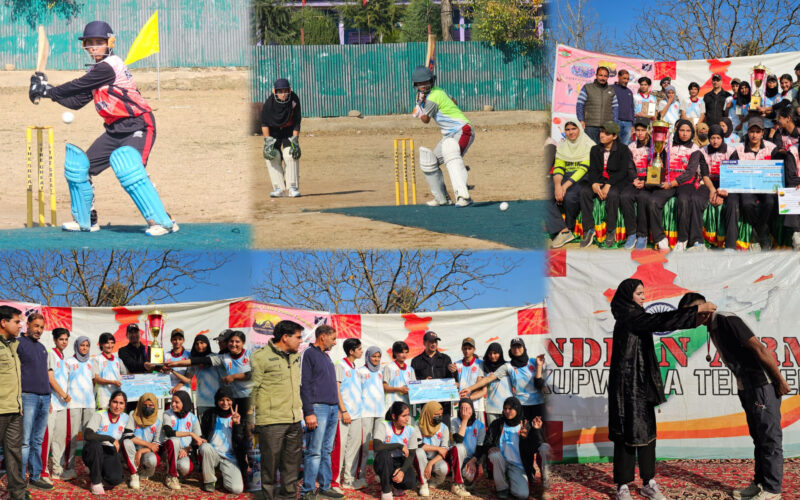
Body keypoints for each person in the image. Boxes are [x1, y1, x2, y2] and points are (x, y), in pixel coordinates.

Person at [28, 21, 177, 236]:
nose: (94, 47)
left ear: (110, 43)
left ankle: (164, 221)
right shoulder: (97, 73)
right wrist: (46, 93)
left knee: (130, 170)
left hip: (139, 124)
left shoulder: (110, 66)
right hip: (114, 130)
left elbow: (78, 84)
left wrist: (48, 90)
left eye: (99, 42)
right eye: (90, 43)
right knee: (80, 169)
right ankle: (86, 220)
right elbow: (76, 101)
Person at [608, 279, 715, 500]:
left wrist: (693, 318)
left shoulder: (636, 316)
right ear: (628, 295)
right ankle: (622, 486)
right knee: (626, 434)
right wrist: (695, 310)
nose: (643, 297)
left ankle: (648, 482)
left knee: (647, 433)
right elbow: (659, 320)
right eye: (639, 293)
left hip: (642, 383)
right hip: (626, 386)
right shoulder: (629, 316)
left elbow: (658, 321)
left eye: (643, 293)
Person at [679, 293, 788, 500]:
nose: (690, 318)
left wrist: (779, 380)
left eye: (692, 312)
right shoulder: (712, 326)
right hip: (746, 386)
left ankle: (773, 490)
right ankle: (759, 484)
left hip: (761, 384)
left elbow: (759, 347)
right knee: (758, 438)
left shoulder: (725, 319)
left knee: (769, 437)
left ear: (704, 308)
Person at [461, 339, 545, 485]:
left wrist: (538, 367)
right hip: (520, 409)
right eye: (514, 347)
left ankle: (538, 474)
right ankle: (520, 471)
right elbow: (489, 379)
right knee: (522, 441)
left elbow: (540, 383)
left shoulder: (533, 361)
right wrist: (470, 389)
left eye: (519, 346)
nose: (517, 349)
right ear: (510, 350)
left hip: (536, 406)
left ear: (523, 348)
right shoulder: (508, 366)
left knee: (538, 442)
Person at [251, 320, 304, 500]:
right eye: (298, 337)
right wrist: (250, 419)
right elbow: (253, 389)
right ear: (285, 337)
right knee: (270, 468)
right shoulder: (260, 357)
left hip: (294, 420)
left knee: (291, 467)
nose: (300, 341)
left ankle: (289, 497)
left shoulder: (296, 356)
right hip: (271, 422)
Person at [412, 65, 475, 207]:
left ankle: (464, 196)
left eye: (425, 82)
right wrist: (424, 102)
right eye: (420, 84)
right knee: (430, 162)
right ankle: (442, 198)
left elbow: (425, 120)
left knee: (451, 154)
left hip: (462, 130)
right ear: (415, 85)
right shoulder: (439, 91)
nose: (423, 86)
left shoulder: (432, 98)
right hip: (449, 134)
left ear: (431, 81)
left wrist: (420, 104)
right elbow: (455, 102)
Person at [299, 325, 343, 500]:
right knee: (314, 451)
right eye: (333, 338)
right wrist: (309, 411)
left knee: (326, 450)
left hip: (332, 409)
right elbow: (304, 384)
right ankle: (308, 490)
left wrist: (337, 408)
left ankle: (325, 486)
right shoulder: (309, 354)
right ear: (323, 336)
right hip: (318, 408)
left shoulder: (326, 356)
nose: (335, 342)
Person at [578, 120, 634, 248]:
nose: (602, 135)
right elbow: (592, 170)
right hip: (599, 180)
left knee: (613, 195)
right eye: (602, 132)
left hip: (616, 181)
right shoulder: (595, 149)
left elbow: (623, 171)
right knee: (584, 192)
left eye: (607, 133)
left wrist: (609, 184)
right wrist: (593, 183)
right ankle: (588, 229)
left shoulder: (623, 149)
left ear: (614, 136)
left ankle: (610, 230)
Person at [648, 119, 701, 251]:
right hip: (667, 181)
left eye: (688, 131)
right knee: (653, 201)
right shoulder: (667, 145)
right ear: (677, 131)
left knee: (683, 201)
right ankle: (660, 238)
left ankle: (683, 239)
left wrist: (672, 184)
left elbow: (690, 173)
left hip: (685, 183)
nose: (684, 133)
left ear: (692, 133)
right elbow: (661, 163)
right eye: (682, 130)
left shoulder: (695, 149)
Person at [17, 313, 54, 490]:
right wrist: (18, 400)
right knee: (25, 441)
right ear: (28, 324)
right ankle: (18, 479)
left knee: (37, 441)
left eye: (41, 327)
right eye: (36, 326)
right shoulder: (18, 344)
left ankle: (35, 476)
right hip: (27, 397)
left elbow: (45, 376)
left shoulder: (42, 348)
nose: (39, 330)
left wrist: (49, 397)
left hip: (45, 398)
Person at [547, 118, 594, 248]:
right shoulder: (562, 146)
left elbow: (583, 168)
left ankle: (570, 226)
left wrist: (564, 187)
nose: (570, 132)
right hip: (563, 177)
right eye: (567, 129)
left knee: (570, 197)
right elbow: (559, 167)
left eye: (574, 129)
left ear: (579, 128)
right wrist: (557, 186)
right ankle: (563, 230)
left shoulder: (589, 145)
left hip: (582, 177)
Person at [734, 117, 778, 250]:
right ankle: (762, 231)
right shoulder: (739, 149)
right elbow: (732, 170)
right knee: (747, 204)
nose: (754, 135)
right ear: (747, 132)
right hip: (746, 186)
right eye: (751, 131)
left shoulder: (771, 148)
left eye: (757, 132)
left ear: (762, 132)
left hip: (766, 185)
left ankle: (758, 229)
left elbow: (779, 168)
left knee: (770, 202)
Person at [485, 397, 541, 500]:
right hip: (501, 461)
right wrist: (491, 447)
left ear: (517, 409)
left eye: (510, 409)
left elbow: (534, 448)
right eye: (505, 408)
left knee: (522, 495)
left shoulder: (526, 425)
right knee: (495, 455)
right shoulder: (498, 424)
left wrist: (530, 435)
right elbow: (487, 441)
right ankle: (501, 488)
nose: (507, 411)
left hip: (518, 465)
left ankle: (509, 478)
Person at [623, 117, 666, 249]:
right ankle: (631, 233)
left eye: (643, 130)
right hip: (636, 180)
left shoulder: (656, 147)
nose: (640, 133)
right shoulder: (631, 146)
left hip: (649, 182)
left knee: (643, 198)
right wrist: (634, 179)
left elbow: (658, 168)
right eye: (638, 130)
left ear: (648, 130)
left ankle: (642, 234)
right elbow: (629, 166)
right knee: (624, 196)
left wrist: (646, 181)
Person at [0, 306, 29, 500]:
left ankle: (17, 494)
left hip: (14, 410)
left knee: (14, 455)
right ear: (3, 322)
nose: (20, 325)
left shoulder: (13, 345)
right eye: (17, 321)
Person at [696, 125, 739, 251]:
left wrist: (721, 192)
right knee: (695, 199)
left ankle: (730, 245)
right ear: (709, 138)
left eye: (718, 138)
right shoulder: (703, 151)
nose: (715, 141)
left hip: (728, 184)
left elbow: (733, 173)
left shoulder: (731, 151)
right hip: (709, 183)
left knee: (733, 203)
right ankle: (697, 241)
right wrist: (713, 191)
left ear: (722, 139)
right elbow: (704, 174)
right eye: (712, 138)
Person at [198, 386, 246, 494]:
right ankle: (209, 481)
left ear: (232, 401)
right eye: (221, 400)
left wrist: (237, 424)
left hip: (230, 457)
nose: (225, 403)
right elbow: (203, 434)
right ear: (217, 401)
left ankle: (224, 475)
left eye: (228, 400)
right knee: (205, 447)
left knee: (237, 489)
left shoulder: (238, 416)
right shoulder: (209, 414)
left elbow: (241, 442)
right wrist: (201, 441)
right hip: (213, 453)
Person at [82, 390, 129, 495]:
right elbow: (87, 435)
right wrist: (110, 438)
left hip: (109, 450)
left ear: (125, 405)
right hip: (93, 449)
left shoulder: (125, 418)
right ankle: (96, 482)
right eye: (115, 402)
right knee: (95, 445)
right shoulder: (100, 415)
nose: (117, 406)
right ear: (110, 402)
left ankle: (98, 471)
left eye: (121, 403)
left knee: (115, 480)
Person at [262, 77, 302, 198]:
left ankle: (292, 187)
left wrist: (295, 141)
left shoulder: (294, 100)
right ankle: (278, 188)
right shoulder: (269, 104)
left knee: (290, 154)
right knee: (272, 155)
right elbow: (264, 123)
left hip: (288, 130)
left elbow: (297, 121)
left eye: (285, 91)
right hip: (273, 131)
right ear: (275, 91)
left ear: (290, 90)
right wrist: (268, 142)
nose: (283, 94)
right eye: (280, 91)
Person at [372, 402, 421, 500]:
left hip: (400, 461)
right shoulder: (384, 425)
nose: (407, 418)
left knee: (411, 481)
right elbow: (377, 447)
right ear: (394, 416)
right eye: (404, 416)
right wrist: (398, 446)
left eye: (408, 415)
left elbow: (411, 455)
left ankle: (396, 485)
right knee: (384, 452)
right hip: (385, 461)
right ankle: (386, 490)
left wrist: (402, 471)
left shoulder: (411, 430)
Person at [333, 338, 364, 490]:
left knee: (353, 449)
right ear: (351, 351)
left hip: (357, 415)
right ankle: (335, 481)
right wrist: (343, 410)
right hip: (343, 415)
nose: (361, 351)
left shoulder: (356, 368)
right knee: (340, 449)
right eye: (359, 349)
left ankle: (348, 480)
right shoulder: (340, 366)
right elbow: (336, 390)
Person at [411, 331, 457, 426]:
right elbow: (413, 383)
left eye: (435, 342)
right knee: (428, 433)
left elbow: (453, 380)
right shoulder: (416, 361)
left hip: (444, 406)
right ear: (424, 343)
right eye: (431, 342)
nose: (433, 344)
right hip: (426, 405)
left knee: (444, 433)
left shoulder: (446, 358)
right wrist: (423, 382)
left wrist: (454, 372)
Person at [46, 328, 75, 481]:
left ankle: (57, 469)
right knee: (48, 439)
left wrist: (65, 398)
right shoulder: (51, 354)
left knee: (59, 439)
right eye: (61, 339)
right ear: (55, 340)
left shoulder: (64, 357)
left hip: (63, 405)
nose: (64, 342)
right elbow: (50, 378)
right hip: (52, 402)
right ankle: (42, 470)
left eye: (66, 339)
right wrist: (63, 395)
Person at [65, 336, 95, 478]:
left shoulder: (91, 362)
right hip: (74, 404)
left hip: (89, 404)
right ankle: (69, 467)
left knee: (89, 437)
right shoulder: (69, 362)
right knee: (72, 437)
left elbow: (93, 381)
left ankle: (89, 465)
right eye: (81, 345)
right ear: (76, 346)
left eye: (86, 345)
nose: (84, 348)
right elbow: (64, 381)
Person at [120, 392, 163, 490]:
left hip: (146, 452)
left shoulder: (158, 422)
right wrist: (147, 444)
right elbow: (128, 435)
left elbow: (156, 445)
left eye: (151, 405)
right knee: (126, 442)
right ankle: (134, 474)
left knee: (152, 460)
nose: (147, 407)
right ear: (140, 404)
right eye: (145, 405)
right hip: (132, 450)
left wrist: (141, 451)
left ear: (155, 406)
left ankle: (146, 472)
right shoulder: (133, 414)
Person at [162, 390, 203, 491]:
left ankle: (173, 469)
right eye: (172, 402)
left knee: (186, 468)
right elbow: (169, 432)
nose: (173, 404)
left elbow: (197, 440)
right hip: (168, 448)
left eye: (177, 402)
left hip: (183, 451)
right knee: (174, 440)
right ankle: (171, 476)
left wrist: (187, 449)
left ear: (184, 403)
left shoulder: (193, 418)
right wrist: (189, 433)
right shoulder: (167, 414)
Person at [357, 346, 385, 487]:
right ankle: (361, 475)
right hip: (365, 413)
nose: (376, 359)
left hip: (379, 412)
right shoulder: (361, 371)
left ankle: (378, 473)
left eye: (378, 356)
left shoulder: (381, 371)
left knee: (378, 445)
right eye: (374, 356)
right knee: (364, 446)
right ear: (368, 357)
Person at [448, 398, 486, 494]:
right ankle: (456, 483)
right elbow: (458, 440)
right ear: (459, 410)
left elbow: (480, 447)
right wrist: (465, 420)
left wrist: (473, 461)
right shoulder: (454, 422)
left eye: (467, 408)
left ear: (472, 410)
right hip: (458, 457)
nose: (465, 411)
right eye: (462, 408)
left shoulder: (480, 425)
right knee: (459, 447)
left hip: (472, 458)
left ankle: (465, 481)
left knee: (470, 476)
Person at [180, 334, 221, 418]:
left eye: (202, 343)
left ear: (207, 344)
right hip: (201, 401)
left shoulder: (215, 357)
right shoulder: (193, 361)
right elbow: (188, 379)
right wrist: (172, 370)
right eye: (197, 343)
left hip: (218, 400)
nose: (199, 346)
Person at [415, 402, 451, 497]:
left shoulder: (444, 428)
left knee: (444, 468)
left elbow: (444, 450)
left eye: (440, 414)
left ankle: (436, 481)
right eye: (436, 414)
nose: (439, 417)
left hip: (435, 460)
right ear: (428, 413)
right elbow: (419, 445)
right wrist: (437, 448)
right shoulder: (418, 426)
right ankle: (424, 483)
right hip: (420, 459)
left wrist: (430, 464)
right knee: (419, 452)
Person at [576, 66, 619, 143]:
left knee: (603, 151)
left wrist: (614, 124)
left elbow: (615, 108)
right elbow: (580, 105)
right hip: (590, 127)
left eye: (605, 76)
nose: (603, 78)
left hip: (606, 128)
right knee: (590, 150)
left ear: (608, 77)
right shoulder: (587, 88)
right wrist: (581, 120)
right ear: (596, 75)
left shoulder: (611, 90)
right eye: (600, 75)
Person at [477, 343, 513, 426]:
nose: (492, 356)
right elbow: (480, 382)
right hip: (491, 408)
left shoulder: (507, 366)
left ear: (500, 353)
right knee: (493, 435)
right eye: (490, 353)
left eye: (495, 353)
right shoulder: (483, 366)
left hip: (507, 408)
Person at [454, 338, 486, 424]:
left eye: (469, 348)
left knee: (479, 432)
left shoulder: (480, 363)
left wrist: (470, 397)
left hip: (477, 405)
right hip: (462, 406)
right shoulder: (457, 364)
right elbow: (455, 384)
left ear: (474, 349)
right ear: (462, 349)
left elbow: (481, 386)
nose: (467, 351)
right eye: (465, 348)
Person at [92, 332, 123, 410]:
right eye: (107, 343)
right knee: (103, 421)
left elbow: (126, 376)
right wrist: (113, 382)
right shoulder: (96, 359)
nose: (110, 346)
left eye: (112, 343)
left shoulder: (118, 360)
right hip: (103, 398)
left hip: (117, 397)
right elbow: (96, 379)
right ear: (101, 344)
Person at [383, 340, 416, 406]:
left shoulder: (410, 369)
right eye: (402, 352)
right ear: (395, 353)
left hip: (407, 404)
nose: (404, 355)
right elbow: (385, 387)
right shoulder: (389, 367)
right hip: (392, 404)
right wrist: (399, 389)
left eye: (406, 352)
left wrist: (424, 383)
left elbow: (414, 387)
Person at [163, 329, 191, 393]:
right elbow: (162, 372)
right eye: (174, 339)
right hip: (167, 387)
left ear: (183, 340)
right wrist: (163, 369)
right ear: (171, 340)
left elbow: (188, 377)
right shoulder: (166, 355)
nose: (177, 341)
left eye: (180, 339)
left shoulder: (188, 355)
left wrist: (179, 385)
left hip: (184, 388)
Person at [614, 70, 635, 145]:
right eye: (624, 78)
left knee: (625, 145)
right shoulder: (612, 88)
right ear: (618, 77)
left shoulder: (629, 92)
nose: (626, 81)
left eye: (627, 79)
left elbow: (632, 108)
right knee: (615, 145)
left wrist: (632, 124)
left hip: (628, 124)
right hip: (617, 121)